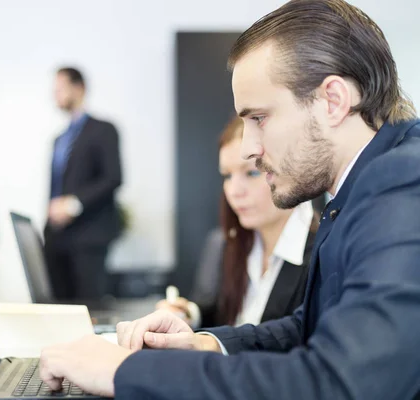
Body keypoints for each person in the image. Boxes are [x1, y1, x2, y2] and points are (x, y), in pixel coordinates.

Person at [38, 0, 420, 398]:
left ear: (333, 101)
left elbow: (341, 384)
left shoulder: (404, 186)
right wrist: (203, 343)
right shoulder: (361, 188)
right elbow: (306, 327)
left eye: (258, 118)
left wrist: (128, 371)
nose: (248, 149)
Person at [157, 117, 317, 329]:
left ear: (293, 168)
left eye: (251, 173)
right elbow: (218, 313)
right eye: (227, 176)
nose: (234, 191)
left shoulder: (324, 250)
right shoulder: (225, 243)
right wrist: (188, 314)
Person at [43, 67, 123, 301]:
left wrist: (73, 205)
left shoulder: (103, 130)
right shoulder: (59, 139)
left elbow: (113, 177)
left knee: (89, 307)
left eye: (60, 89)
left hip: (89, 237)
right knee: (57, 305)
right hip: (57, 239)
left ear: (79, 88)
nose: (55, 95)